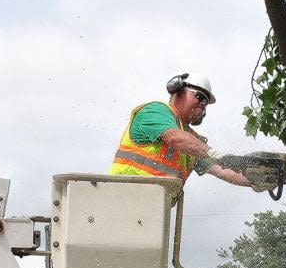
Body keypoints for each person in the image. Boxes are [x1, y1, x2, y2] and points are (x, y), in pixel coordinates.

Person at [110, 72, 261, 189]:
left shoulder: (192, 141)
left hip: (152, 207)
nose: (203, 104)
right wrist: (216, 154)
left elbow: (222, 169)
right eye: (199, 96)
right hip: (124, 195)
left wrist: (256, 180)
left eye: (206, 102)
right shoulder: (155, 111)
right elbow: (174, 137)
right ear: (178, 90)